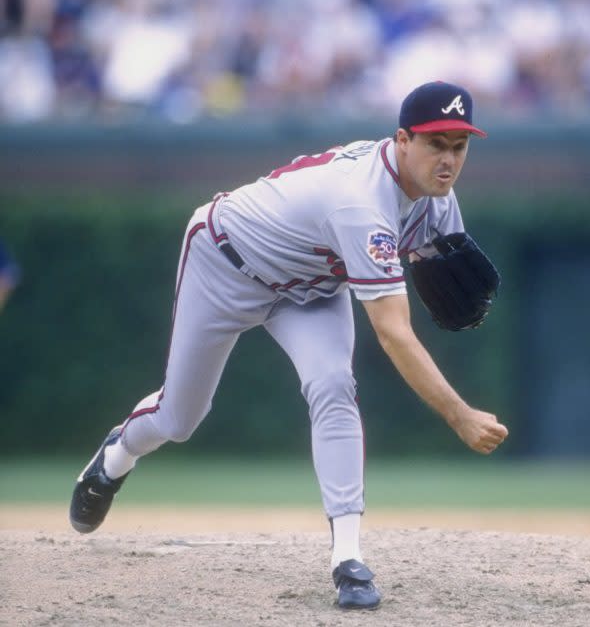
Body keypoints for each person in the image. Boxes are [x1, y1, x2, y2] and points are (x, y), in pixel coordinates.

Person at [69, 81, 509, 610]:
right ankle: (116, 456)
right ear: (402, 140)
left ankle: (348, 560)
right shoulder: (360, 205)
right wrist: (458, 414)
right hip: (226, 262)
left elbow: (436, 263)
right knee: (179, 419)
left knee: (333, 387)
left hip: (310, 289)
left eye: (459, 146)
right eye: (436, 143)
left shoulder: (437, 200)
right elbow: (393, 332)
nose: (449, 159)